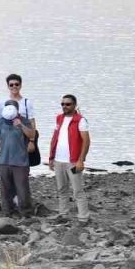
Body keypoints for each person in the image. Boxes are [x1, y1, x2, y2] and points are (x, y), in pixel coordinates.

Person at [49, 94, 92, 222]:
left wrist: (81, 160)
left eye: (68, 104)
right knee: (61, 189)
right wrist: (51, 157)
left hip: (73, 162)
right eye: (62, 104)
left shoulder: (80, 120)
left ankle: (83, 217)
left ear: (74, 105)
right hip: (58, 160)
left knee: (78, 190)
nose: (65, 106)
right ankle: (63, 214)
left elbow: (86, 141)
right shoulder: (59, 118)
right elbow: (54, 138)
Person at [0, 98, 35, 218]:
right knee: (5, 188)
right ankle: (7, 212)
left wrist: (20, 125)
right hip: (4, 160)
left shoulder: (24, 120)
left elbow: (32, 135)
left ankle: (26, 212)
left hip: (20, 161)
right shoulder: (0, 122)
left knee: (22, 188)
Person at [0, 73, 38, 166]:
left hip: (23, 136)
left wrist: (32, 141)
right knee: (5, 163)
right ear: (8, 86)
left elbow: (32, 122)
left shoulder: (27, 102)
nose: (14, 86)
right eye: (11, 85)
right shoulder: (1, 102)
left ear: (20, 85)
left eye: (17, 84)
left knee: (23, 163)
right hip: (7, 137)